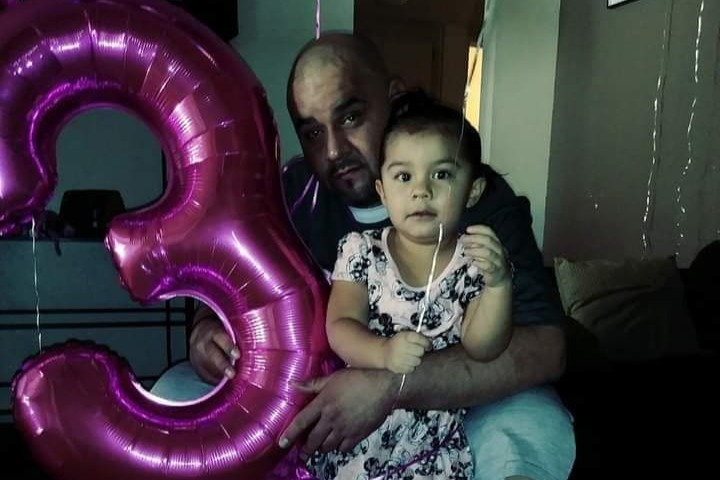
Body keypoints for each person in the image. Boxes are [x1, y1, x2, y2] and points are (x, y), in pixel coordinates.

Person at [152, 33, 575, 480]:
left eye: (350, 116)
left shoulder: (466, 195)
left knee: (533, 423)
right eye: (313, 133)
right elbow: (224, 286)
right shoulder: (290, 195)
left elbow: (546, 349)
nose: (333, 150)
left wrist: (392, 387)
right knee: (173, 395)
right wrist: (205, 331)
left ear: (393, 98)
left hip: (452, 410)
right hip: (309, 394)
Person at [306, 97, 513, 480]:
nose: (421, 191)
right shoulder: (361, 251)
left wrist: (498, 285)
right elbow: (340, 326)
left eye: (441, 175)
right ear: (383, 191)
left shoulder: (474, 260)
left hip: (433, 448)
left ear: (472, 191)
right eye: (404, 177)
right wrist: (383, 352)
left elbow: (483, 346)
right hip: (360, 435)